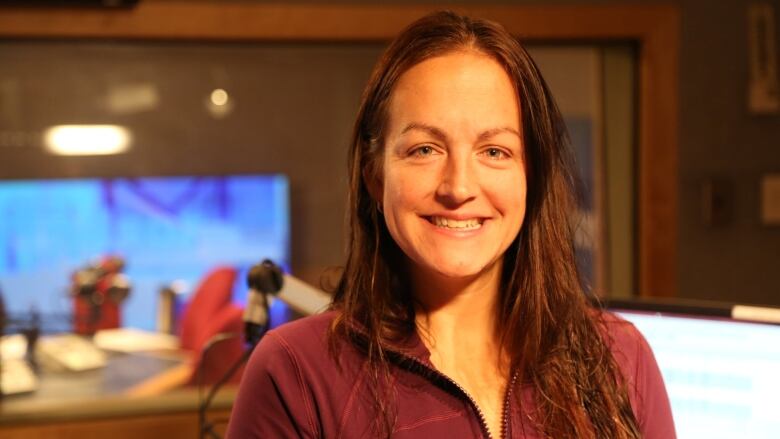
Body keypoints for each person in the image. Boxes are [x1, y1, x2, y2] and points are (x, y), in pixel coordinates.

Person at [227, 10, 675, 439]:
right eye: (424, 149)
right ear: (374, 176)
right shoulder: (295, 374)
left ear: (531, 177)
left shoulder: (619, 357)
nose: (459, 187)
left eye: (495, 151)